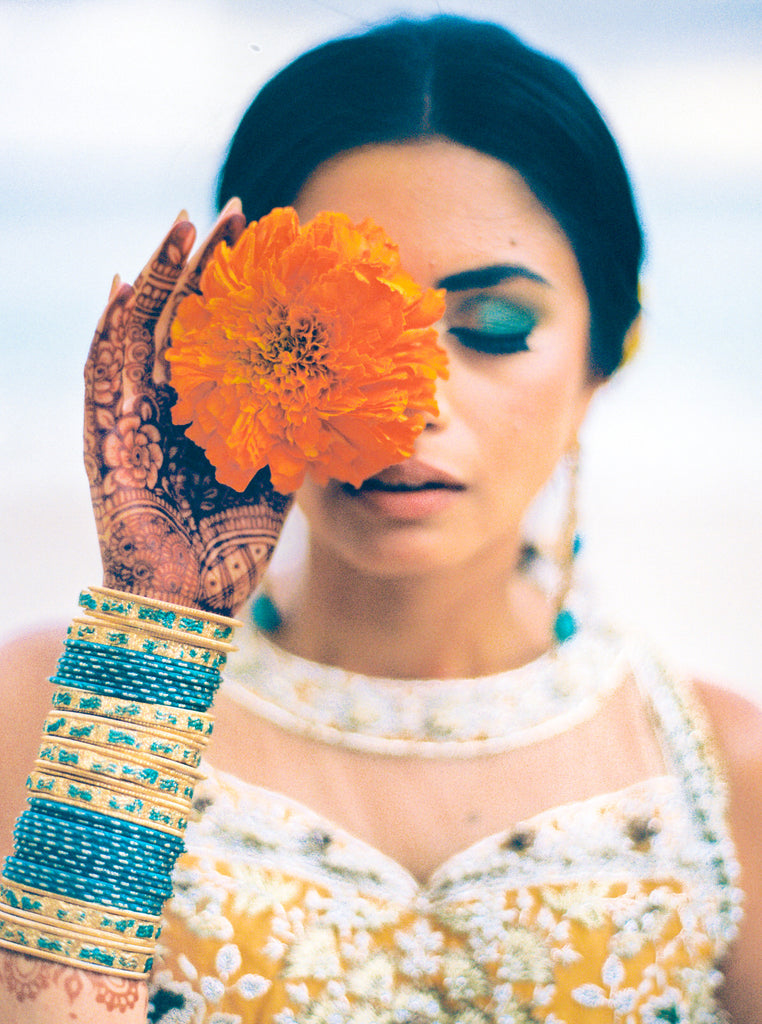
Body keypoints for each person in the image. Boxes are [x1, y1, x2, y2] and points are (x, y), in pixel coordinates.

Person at [1, 14, 760, 1023]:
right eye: (327, 331)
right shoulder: (47, 707)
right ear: (222, 324)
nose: (412, 401)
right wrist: (154, 634)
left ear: (604, 355)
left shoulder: (727, 773)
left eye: (492, 327)